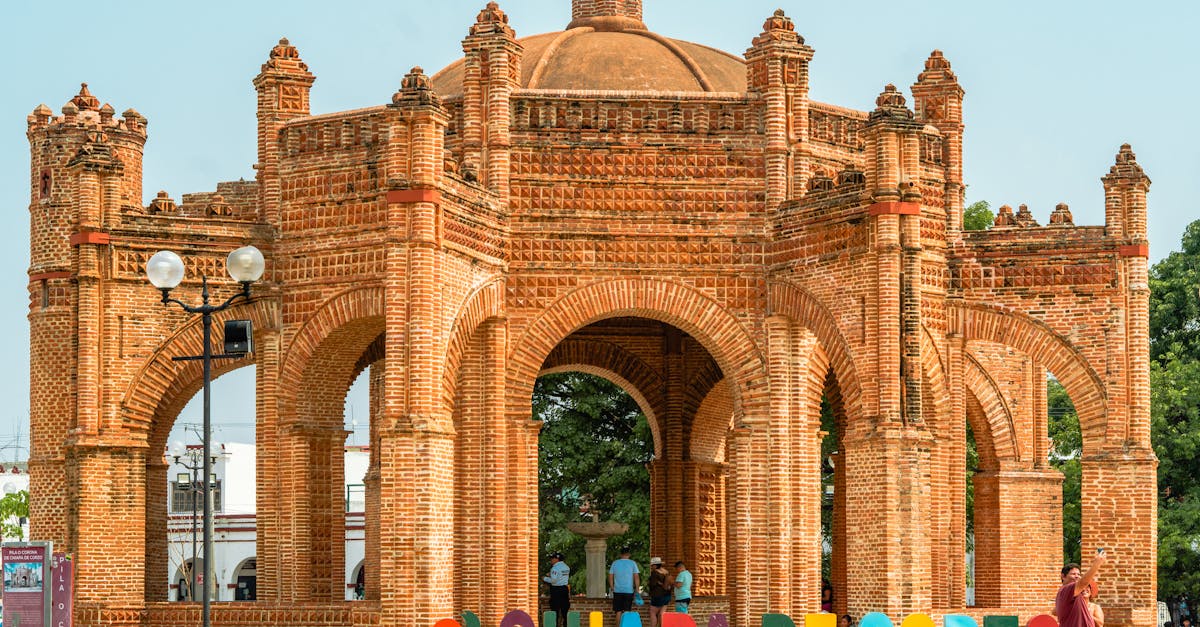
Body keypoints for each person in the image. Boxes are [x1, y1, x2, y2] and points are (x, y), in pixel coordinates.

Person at [1055, 549, 1106, 627]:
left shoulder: (1071, 593)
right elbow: (1083, 582)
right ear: (1063, 576)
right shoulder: (1066, 589)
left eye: (1078, 574)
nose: (1077, 576)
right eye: (1073, 574)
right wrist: (1097, 564)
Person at [608, 547, 641, 625]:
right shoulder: (633, 563)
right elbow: (636, 577)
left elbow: (610, 576)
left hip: (617, 590)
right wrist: (637, 589)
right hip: (629, 591)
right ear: (629, 554)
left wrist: (612, 587)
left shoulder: (615, 563)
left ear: (620, 554)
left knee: (618, 611)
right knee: (626, 612)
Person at [544, 552, 571, 627]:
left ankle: (554, 625)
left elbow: (553, 580)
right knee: (565, 610)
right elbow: (560, 576)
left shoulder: (555, 568)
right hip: (564, 589)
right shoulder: (566, 567)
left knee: (554, 610)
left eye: (552, 558)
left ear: (557, 559)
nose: (551, 560)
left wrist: (545, 578)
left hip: (556, 590)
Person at [647, 557, 672, 627]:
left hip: (657, 595)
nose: (651, 567)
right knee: (662, 614)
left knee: (653, 613)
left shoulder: (655, 573)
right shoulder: (666, 572)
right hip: (667, 596)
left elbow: (652, 585)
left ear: (655, 565)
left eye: (652, 565)